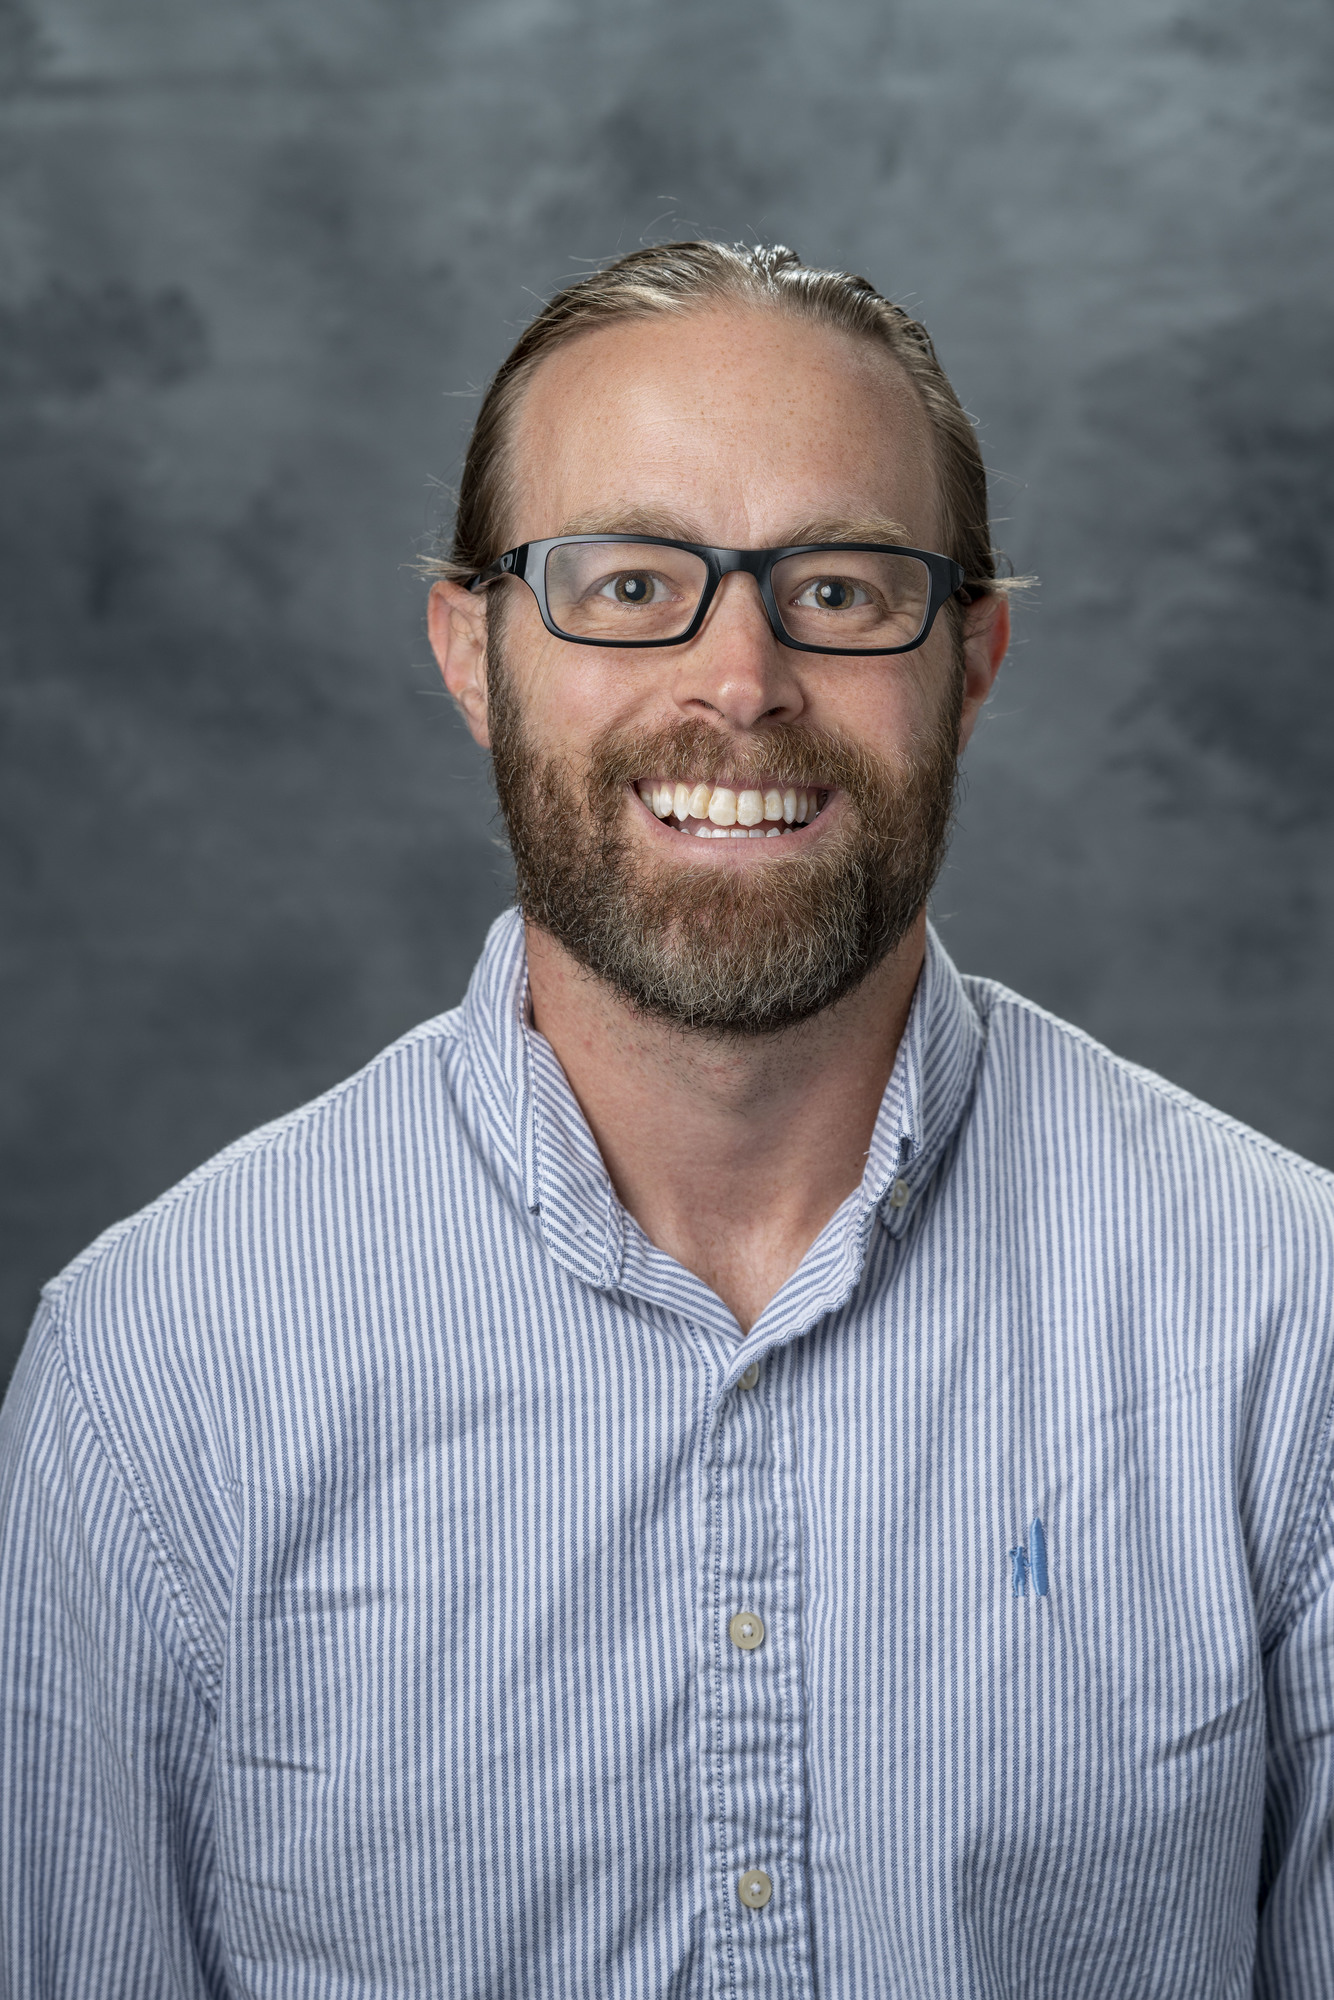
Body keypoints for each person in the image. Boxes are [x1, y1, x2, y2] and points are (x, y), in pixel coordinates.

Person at [1, 241, 1331, 1998]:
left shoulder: (1285, 1317)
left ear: (974, 658)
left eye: (843, 592)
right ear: (471, 651)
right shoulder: (161, 1365)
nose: (742, 680)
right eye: (628, 585)